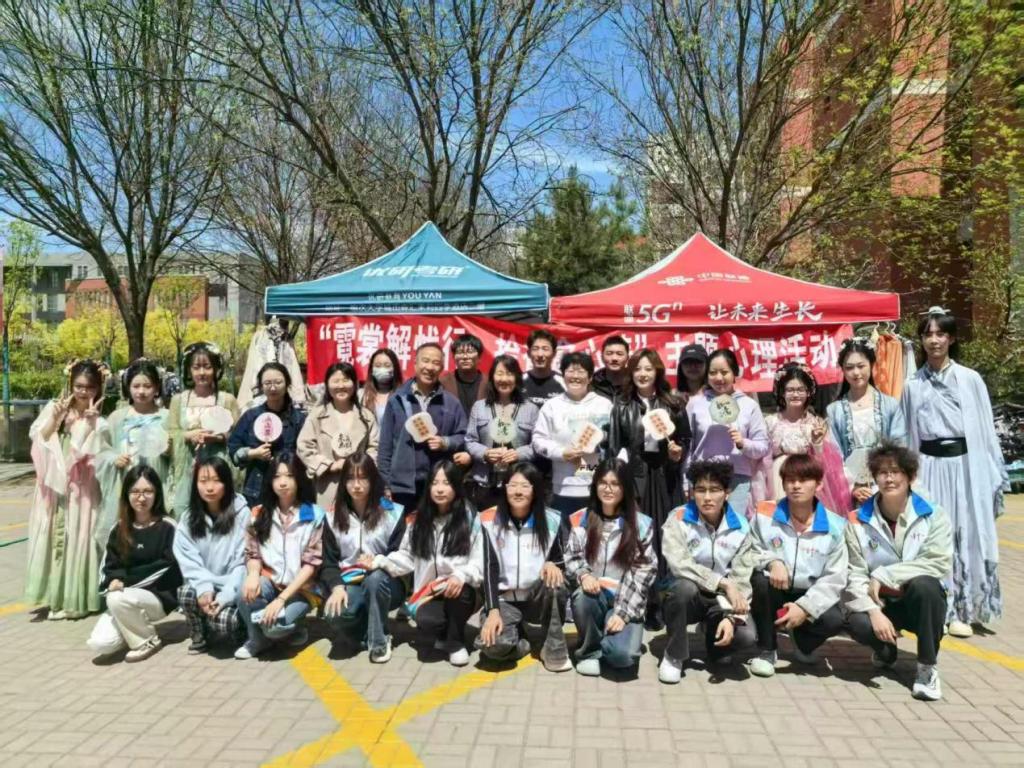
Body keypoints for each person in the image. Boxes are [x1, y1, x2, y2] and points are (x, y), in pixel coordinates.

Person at [901, 308, 1007, 638]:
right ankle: (938, 608)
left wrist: (992, 470)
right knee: (932, 535)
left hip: (965, 466)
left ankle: (964, 607)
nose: (934, 340)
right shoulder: (912, 385)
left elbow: (985, 430)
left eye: (940, 334)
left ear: (951, 338)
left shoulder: (970, 379)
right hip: (929, 467)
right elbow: (906, 434)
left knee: (966, 532)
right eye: (928, 334)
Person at [844, 443, 952, 701]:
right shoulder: (857, 520)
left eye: (895, 472)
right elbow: (855, 573)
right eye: (882, 472)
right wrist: (873, 611)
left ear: (910, 476)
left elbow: (937, 562)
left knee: (926, 587)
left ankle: (927, 668)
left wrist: (884, 574)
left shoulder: (933, 515)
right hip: (881, 602)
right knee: (857, 622)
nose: (889, 478)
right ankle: (885, 650)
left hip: (918, 602)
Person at [360, 461, 483, 666]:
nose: (440, 489)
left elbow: (479, 561)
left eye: (446, 483)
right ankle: (443, 634)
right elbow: (407, 556)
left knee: (459, 593)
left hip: (461, 588)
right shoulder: (419, 520)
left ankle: (455, 643)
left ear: (456, 486)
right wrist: (380, 561)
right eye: (435, 483)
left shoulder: (469, 518)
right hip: (428, 593)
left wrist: (460, 575)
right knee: (427, 620)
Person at [607, 349, 688, 628]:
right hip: (636, 478)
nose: (642, 374)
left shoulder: (673, 404)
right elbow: (615, 447)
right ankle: (642, 601)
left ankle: (665, 601)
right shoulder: (621, 405)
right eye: (637, 369)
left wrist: (678, 453)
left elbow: (685, 438)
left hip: (665, 477)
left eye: (648, 369)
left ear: (657, 372)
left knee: (667, 539)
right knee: (639, 540)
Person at [748, 454, 848, 678]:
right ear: (783, 484)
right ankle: (767, 649)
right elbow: (748, 550)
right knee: (759, 582)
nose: (796, 486)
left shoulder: (836, 526)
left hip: (809, 591)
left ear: (819, 485)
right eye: (790, 480)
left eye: (803, 480)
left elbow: (834, 577)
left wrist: (805, 607)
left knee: (834, 619)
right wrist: (772, 561)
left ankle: (803, 642)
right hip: (776, 588)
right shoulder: (764, 513)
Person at [658, 459, 756, 684]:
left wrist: (732, 617)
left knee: (746, 635)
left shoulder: (741, 527)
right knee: (683, 588)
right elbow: (679, 564)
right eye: (701, 490)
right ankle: (674, 655)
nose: (707, 497)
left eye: (715, 490)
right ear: (692, 492)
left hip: (720, 600)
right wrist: (723, 582)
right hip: (686, 595)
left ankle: (715, 639)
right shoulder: (678, 518)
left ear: (727, 493)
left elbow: (741, 577)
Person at [26, 359, 109, 620]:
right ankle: (55, 597)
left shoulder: (100, 420)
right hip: (55, 483)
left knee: (79, 535)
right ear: (70, 384)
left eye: (90, 387)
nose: (84, 391)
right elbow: (39, 438)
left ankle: (74, 598)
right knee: (55, 534)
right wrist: (55, 417)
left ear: (98, 388)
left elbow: (97, 454)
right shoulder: (56, 407)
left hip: (82, 487)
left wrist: (91, 425)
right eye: (79, 385)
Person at [477, 462, 571, 671]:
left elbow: (560, 561)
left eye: (525, 486)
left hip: (536, 599)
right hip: (505, 601)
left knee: (555, 583)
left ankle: (552, 647)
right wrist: (492, 610)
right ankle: (524, 643)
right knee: (493, 647)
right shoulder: (488, 520)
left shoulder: (552, 519)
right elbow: (489, 568)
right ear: (505, 488)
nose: (518, 491)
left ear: (535, 489)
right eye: (512, 485)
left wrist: (553, 565)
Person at [565, 459, 656, 675]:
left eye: (615, 484)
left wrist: (622, 613)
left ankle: (608, 638)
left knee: (623, 657)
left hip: (626, 599)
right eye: (603, 483)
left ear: (625, 488)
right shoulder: (581, 519)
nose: (608, 489)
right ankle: (589, 652)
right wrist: (584, 574)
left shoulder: (641, 524)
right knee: (582, 598)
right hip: (595, 596)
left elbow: (644, 572)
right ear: (595, 485)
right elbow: (572, 557)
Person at [235, 452, 326, 659]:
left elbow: (311, 564)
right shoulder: (258, 513)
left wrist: (281, 599)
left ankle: (293, 627)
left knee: (275, 627)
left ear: (299, 478)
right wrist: (253, 575)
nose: (282, 483)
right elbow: (252, 553)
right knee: (244, 593)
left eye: (289, 476)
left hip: (302, 589)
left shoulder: (314, 514)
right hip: (271, 581)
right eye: (277, 476)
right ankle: (257, 640)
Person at [86, 465, 182, 662]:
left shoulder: (168, 527)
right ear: (126, 495)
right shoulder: (119, 528)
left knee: (116, 598)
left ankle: (147, 640)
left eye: (148, 491)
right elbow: (108, 568)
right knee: (101, 643)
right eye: (135, 491)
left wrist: (125, 582)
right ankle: (132, 627)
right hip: (124, 597)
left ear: (157, 494)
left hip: (158, 598)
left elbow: (167, 566)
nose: (141, 498)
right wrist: (112, 581)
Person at [321, 454, 407, 663]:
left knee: (374, 580)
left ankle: (380, 641)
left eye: (363, 478)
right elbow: (329, 562)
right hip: (350, 582)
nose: (357, 485)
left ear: (373, 480)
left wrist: (378, 562)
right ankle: (364, 631)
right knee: (334, 614)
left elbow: (401, 555)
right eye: (350, 478)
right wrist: (337, 587)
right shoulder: (332, 517)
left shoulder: (393, 513)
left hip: (387, 583)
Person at [378, 343, 469, 511]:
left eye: (436, 363)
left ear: (442, 368)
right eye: (425, 361)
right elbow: (385, 447)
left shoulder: (451, 402)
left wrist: (445, 442)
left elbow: (464, 436)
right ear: (415, 363)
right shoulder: (397, 400)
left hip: (439, 486)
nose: (430, 367)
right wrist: (386, 484)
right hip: (402, 486)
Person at [173, 455, 250, 654]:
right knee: (186, 593)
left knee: (225, 622)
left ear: (227, 483)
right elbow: (189, 561)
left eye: (216, 481)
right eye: (203, 481)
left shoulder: (242, 514)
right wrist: (204, 588)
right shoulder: (188, 519)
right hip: (204, 584)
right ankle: (200, 632)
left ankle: (240, 627)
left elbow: (242, 563)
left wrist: (225, 597)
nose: (209, 488)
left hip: (231, 585)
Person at [687, 348, 769, 516]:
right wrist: (686, 480)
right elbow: (688, 446)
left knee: (733, 526)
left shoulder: (749, 405)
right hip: (703, 479)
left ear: (734, 373)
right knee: (705, 527)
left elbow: (762, 446)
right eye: (713, 373)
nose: (719, 378)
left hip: (737, 478)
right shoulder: (696, 404)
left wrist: (743, 443)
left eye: (724, 372)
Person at [97, 360, 171, 545]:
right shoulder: (117, 418)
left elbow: (180, 457)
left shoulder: (167, 417)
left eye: (147, 386)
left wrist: (170, 452)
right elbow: (101, 451)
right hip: (124, 484)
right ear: (127, 387)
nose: (141, 391)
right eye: (136, 386)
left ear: (157, 388)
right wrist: (114, 459)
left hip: (158, 483)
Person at [532, 352, 613, 519]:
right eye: (570, 371)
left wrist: (597, 446)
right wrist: (561, 453)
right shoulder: (552, 406)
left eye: (581, 371)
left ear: (590, 377)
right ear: (563, 375)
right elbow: (538, 440)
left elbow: (614, 439)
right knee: (564, 532)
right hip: (563, 486)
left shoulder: (604, 405)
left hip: (597, 485)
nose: (575, 376)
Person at [826, 338, 907, 506]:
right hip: (849, 488)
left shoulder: (890, 405)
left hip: (886, 482)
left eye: (861, 366)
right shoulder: (834, 410)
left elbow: (899, 446)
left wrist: (885, 479)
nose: (856, 373)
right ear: (843, 370)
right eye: (849, 367)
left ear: (872, 365)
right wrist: (852, 487)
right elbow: (833, 455)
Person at [762, 364, 849, 515]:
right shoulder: (770, 422)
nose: (795, 394)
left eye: (800, 390)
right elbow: (763, 457)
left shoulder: (816, 423)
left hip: (807, 476)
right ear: (782, 392)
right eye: (790, 390)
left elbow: (826, 461)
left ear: (809, 392)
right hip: (777, 478)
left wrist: (817, 443)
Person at [167, 342, 240, 517]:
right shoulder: (178, 400)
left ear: (216, 369)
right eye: (196, 367)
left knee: (219, 513)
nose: (202, 373)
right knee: (185, 513)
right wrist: (188, 435)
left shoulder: (227, 400)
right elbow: (171, 432)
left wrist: (217, 438)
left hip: (218, 467)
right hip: (187, 470)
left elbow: (237, 435)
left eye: (207, 367)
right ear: (189, 370)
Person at [297, 362, 378, 511]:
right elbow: (304, 447)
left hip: (359, 485)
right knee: (329, 522)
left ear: (355, 383)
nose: (341, 386)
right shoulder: (317, 415)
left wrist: (359, 466)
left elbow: (375, 448)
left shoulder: (366, 417)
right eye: (335, 381)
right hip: (328, 484)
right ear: (327, 385)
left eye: (346, 380)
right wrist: (329, 465)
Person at [463, 355, 540, 510]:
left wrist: (519, 454)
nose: (504, 379)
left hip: (517, 486)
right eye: (499, 373)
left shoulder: (531, 409)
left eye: (509, 374)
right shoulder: (479, 407)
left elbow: (537, 445)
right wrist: (485, 453)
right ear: (492, 377)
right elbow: (470, 441)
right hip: (484, 483)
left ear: (517, 378)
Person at [229, 362, 307, 508]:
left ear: (287, 383)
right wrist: (252, 453)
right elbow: (233, 448)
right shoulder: (250, 416)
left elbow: (306, 453)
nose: (272, 387)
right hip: (256, 489)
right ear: (261, 386)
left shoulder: (299, 419)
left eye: (278, 382)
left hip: (289, 488)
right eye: (267, 383)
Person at [440, 333, 488, 417]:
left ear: (479, 357)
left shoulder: (489, 382)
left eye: (470, 352)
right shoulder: (443, 382)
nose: (465, 357)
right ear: (454, 357)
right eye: (460, 352)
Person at [521, 329, 565, 409]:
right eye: (535, 349)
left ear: (554, 353)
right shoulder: (518, 381)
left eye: (545, 349)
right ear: (528, 353)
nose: (540, 354)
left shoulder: (564, 383)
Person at [360, 348, 403, 423]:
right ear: (371, 369)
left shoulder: (403, 396)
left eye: (387, 365)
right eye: (378, 366)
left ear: (394, 369)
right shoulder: (361, 395)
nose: (382, 369)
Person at [591, 336, 630, 401]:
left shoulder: (635, 383)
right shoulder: (592, 383)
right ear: (602, 357)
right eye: (609, 354)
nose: (614, 358)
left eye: (619, 354)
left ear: (627, 358)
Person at [674, 344, 708, 408]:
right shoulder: (672, 398)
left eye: (698, 362)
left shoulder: (716, 394)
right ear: (680, 367)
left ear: (707, 365)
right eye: (688, 362)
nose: (693, 366)